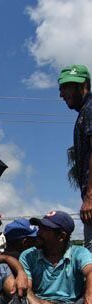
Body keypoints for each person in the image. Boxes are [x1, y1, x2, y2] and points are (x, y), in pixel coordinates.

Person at [22, 211, 92, 304]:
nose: (38, 233)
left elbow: (90, 272)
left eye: (44, 229)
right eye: (39, 228)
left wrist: (89, 301)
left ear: (61, 236)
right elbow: (26, 289)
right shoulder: (28, 255)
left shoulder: (79, 252)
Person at [58, 65, 92, 249]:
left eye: (66, 87)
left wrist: (90, 197)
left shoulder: (90, 109)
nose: (62, 94)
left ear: (83, 85)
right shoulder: (85, 112)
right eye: (61, 88)